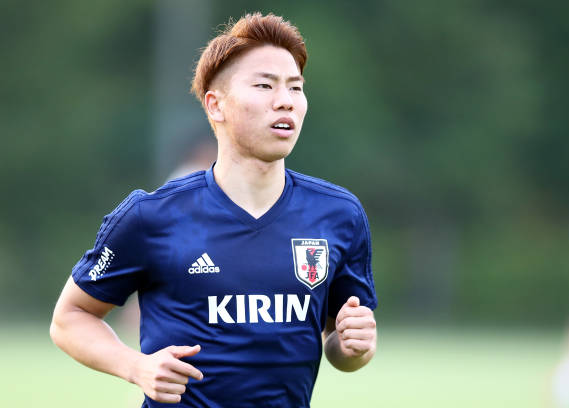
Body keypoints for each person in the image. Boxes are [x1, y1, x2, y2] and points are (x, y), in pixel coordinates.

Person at [50, 12, 377, 408]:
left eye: (295, 87)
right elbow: (70, 319)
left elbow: (337, 344)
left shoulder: (339, 214)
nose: (285, 101)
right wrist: (136, 366)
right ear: (215, 105)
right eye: (264, 85)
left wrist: (352, 348)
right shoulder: (151, 216)